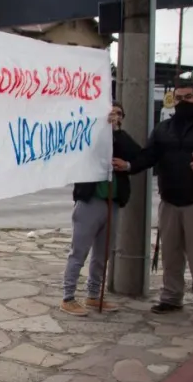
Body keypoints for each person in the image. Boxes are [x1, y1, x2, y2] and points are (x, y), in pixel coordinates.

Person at [112, 85, 193, 324]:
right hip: (170, 201)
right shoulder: (163, 129)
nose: (182, 102)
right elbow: (148, 156)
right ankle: (171, 297)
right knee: (170, 253)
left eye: (188, 97)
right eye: (178, 98)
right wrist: (128, 166)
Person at [61, 102, 142, 316]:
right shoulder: (90, 136)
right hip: (91, 202)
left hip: (112, 203)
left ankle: (94, 295)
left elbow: (138, 155)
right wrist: (102, 129)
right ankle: (68, 297)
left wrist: (117, 136)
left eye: (118, 113)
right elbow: (82, 150)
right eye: (111, 113)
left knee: (102, 254)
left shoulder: (121, 139)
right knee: (79, 251)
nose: (114, 116)